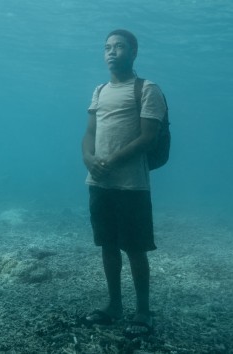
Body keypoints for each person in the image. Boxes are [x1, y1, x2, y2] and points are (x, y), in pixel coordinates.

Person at [81, 29, 167, 337]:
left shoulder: (146, 89)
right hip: (99, 182)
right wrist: (89, 160)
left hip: (131, 185)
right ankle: (114, 306)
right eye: (107, 47)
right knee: (107, 245)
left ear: (134, 52)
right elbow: (89, 134)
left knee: (134, 248)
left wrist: (111, 162)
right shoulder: (100, 90)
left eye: (119, 46)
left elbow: (148, 137)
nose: (112, 52)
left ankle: (143, 311)